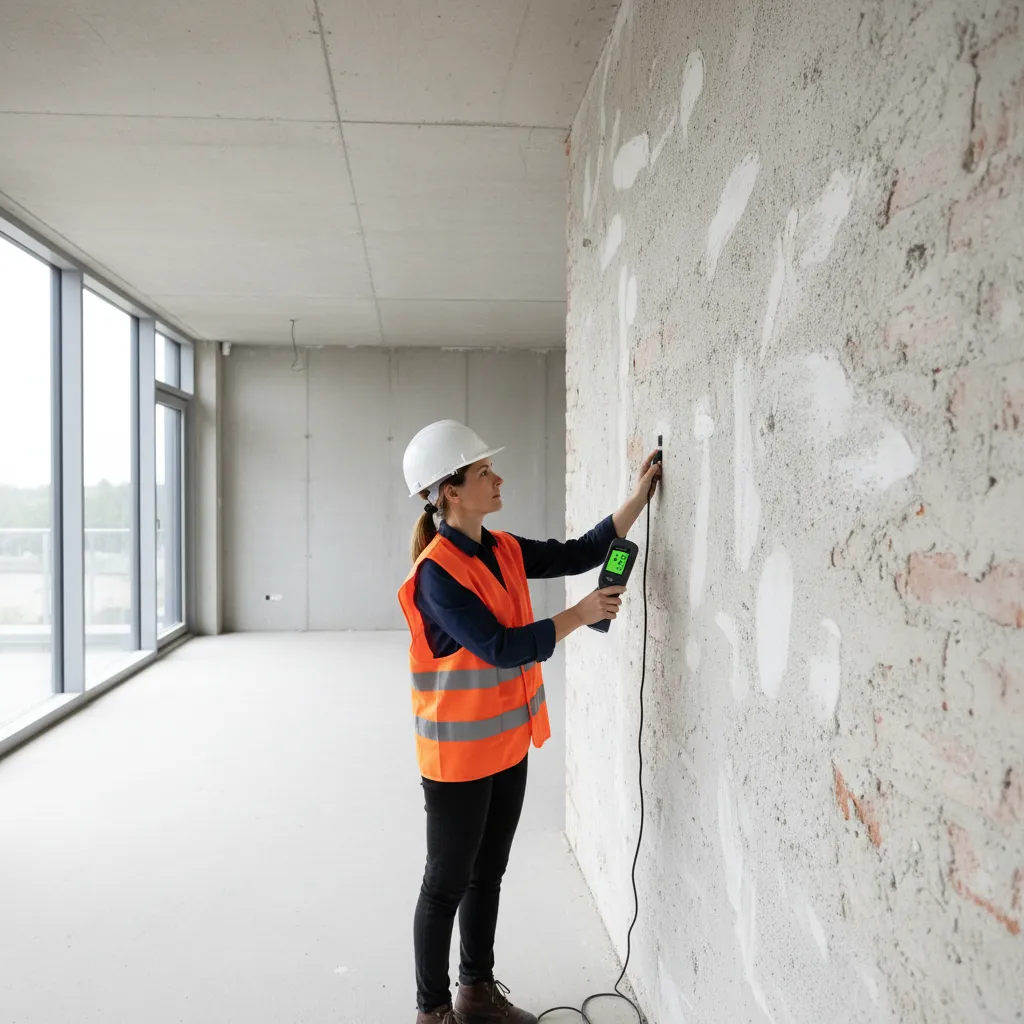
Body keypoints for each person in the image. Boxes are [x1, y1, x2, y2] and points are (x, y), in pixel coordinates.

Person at [397, 420, 661, 1024]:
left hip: (507, 747)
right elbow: (500, 645)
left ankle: (475, 992)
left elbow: (581, 552)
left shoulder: (502, 547)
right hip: (458, 762)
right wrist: (580, 612)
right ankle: (432, 1012)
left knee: (487, 874)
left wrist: (639, 497)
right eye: (484, 471)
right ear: (451, 492)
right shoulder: (437, 574)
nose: (498, 477)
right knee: (445, 884)